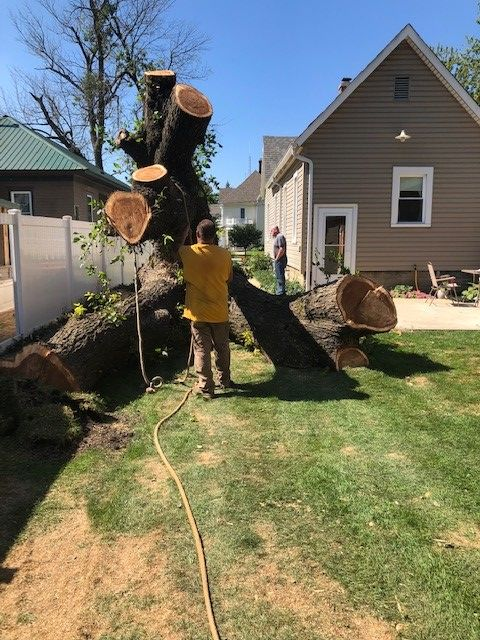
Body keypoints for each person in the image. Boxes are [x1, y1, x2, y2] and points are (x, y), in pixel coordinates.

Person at [178, 219, 234, 399]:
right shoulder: (225, 254)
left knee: (201, 349)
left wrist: (185, 230)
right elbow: (229, 278)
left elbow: (175, 247)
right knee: (222, 348)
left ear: (197, 235)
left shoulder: (187, 252)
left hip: (198, 312)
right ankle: (224, 380)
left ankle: (206, 387)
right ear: (214, 236)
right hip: (219, 310)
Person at [271, 226, 287, 295]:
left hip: (280, 260)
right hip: (279, 260)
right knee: (278, 276)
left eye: (271, 231)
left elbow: (281, 249)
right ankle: (280, 292)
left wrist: (276, 259)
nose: (270, 233)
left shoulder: (280, 237)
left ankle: (280, 294)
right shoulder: (278, 237)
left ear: (275, 230)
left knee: (280, 277)